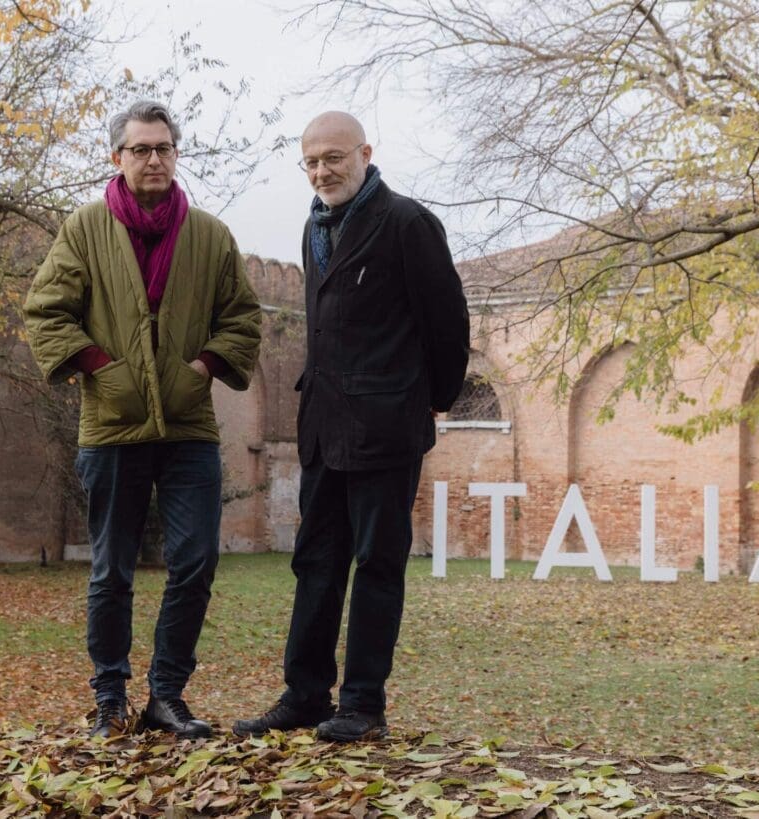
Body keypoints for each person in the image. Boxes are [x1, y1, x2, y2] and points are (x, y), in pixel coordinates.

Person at [23, 100, 261, 739]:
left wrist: (204, 368)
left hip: (188, 429)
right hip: (110, 429)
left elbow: (242, 317)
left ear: (176, 154)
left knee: (196, 561)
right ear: (117, 157)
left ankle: (167, 695)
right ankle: (109, 697)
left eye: (163, 148)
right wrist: (103, 367)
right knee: (112, 571)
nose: (153, 159)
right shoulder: (85, 229)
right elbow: (47, 310)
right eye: (140, 149)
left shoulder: (210, 234)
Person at [233, 111, 469, 742]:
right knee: (315, 562)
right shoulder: (314, 227)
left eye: (333, 158)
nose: (321, 171)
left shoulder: (407, 223)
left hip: (388, 425)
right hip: (324, 427)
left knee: (377, 563)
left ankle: (363, 704)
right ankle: (305, 694)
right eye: (310, 162)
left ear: (365, 152)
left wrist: (433, 400)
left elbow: (448, 323)